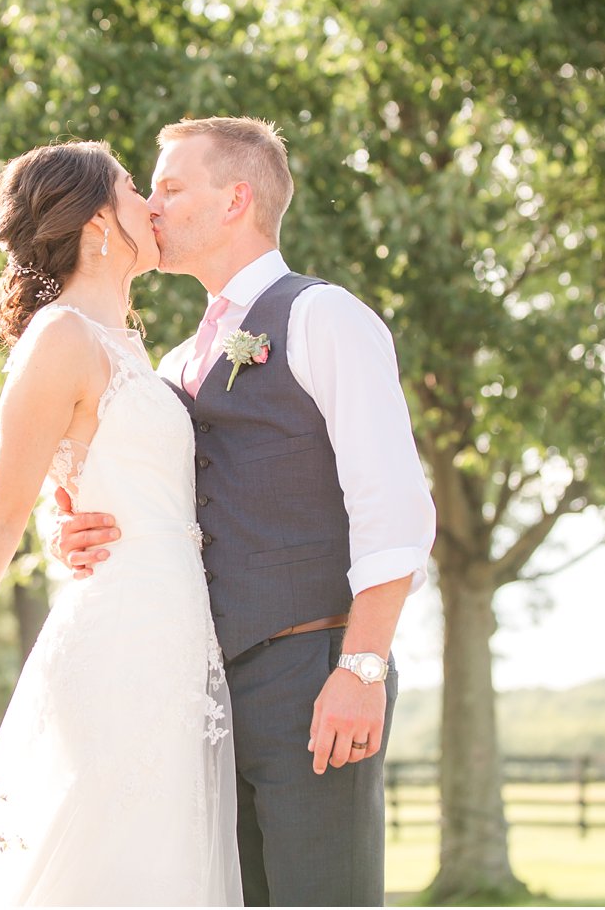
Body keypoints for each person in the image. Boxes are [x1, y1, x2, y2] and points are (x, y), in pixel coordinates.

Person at [57, 117, 436, 907]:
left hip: (312, 672)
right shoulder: (171, 361)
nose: (151, 205)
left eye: (170, 187)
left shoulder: (323, 317)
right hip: (199, 692)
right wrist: (86, 528)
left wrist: (360, 669)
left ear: (235, 200)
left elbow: (393, 504)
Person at [0, 140, 243, 906]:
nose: (152, 203)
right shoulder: (61, 339)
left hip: (174, 638)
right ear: (98, 225)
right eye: (135, 188)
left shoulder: (132, 347)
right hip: (118, 641)